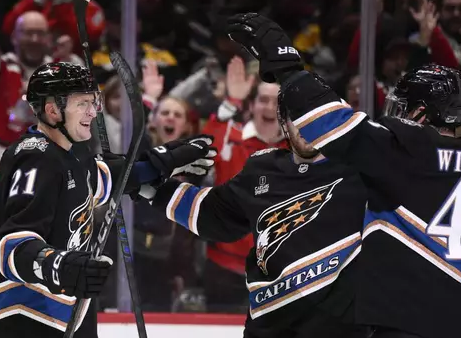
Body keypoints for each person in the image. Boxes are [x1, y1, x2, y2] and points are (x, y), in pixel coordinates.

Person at [226, 13, 461, 338]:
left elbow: (324, 122)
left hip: (407, 323)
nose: (394, 114)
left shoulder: (402, 148)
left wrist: (288, 66)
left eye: (401, 107)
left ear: (418, 112)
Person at [0, 62, 215, 338]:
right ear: (53, 110)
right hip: (19, 313)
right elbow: (13, 248)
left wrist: (165, 161)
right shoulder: (34, 157)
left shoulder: (70, 154)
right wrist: (61, 266)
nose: (93, 112)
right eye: (83, 104)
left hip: (59, 309)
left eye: (94, 102)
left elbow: (111, 178)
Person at [139, 82, 368, 337]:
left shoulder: (362, 172)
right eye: (297, 117)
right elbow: (213, 214)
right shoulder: (264, 168)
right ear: (284, 121)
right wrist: (152, 189)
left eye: (314, 116)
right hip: (268, 327)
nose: (305, 126)